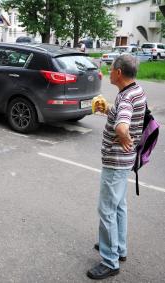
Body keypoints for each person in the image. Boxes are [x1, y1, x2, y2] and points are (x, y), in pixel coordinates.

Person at [87, 54, 146, 280]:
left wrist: (123, 136)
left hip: (116, 162)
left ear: (119, 73)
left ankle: (109, 261)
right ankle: (118, 248)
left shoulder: (127, 98)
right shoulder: (135, 90)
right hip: (125, 161)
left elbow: (123, 125)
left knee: (107, 210)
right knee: (119, 206)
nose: (109, 73)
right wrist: (108, 109)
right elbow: (123, 114)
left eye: (111, 69)